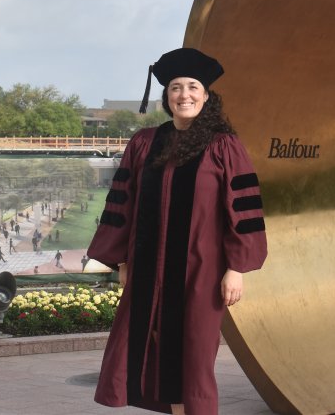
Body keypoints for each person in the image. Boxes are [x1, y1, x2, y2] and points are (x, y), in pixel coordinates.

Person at [88, 47, 267, 415]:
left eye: (192, 87)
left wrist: (236, 268)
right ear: (167, 97)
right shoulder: (144, 142)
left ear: (205, 94)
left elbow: (244, 210)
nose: (183, 95)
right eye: (175, 88)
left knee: (194, 358)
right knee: (153, 351)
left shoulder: (223, 146)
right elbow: (125, 201)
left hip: (201, 271)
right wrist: (122, 259)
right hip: (147, 269)